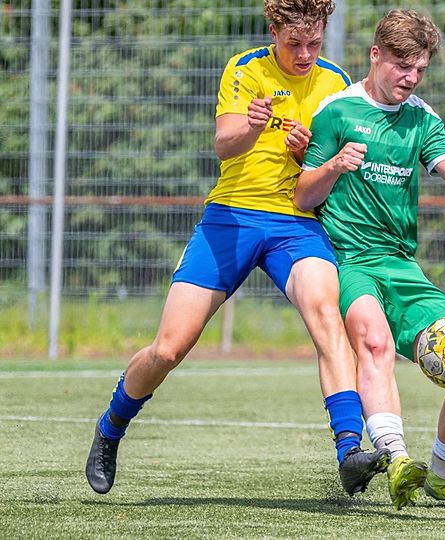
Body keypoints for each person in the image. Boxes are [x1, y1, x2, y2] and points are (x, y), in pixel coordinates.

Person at [85, 0, 388, 498]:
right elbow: (224, 144)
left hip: (297, 223)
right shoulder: (245, 69)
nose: (305, 54)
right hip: (232, 217)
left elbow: (327, 168)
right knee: (169, 348)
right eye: (294, 43)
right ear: (273, 32)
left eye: (313, 43)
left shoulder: (336, 83)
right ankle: (111, 426)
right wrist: (252, 125)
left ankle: (350, 451)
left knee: (327, 318)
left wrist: (308, 154)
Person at [295, 9, 445, 510]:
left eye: (420, 69)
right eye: (402, 65)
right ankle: (396, 461)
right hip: (349, 260)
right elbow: (304, 196)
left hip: (401, 265)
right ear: (376, 55)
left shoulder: (422, 118)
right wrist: (334, 165)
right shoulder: (336, 111)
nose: (411, 78)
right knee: (374, 342)